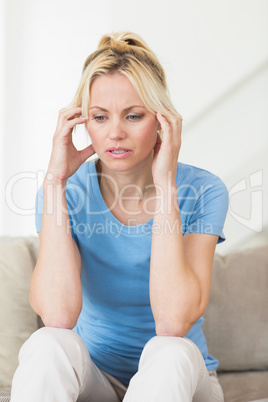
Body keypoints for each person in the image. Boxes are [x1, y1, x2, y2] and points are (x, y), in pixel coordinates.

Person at [11, 32, 229, 402]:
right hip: (100, 380)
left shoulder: (204, 190)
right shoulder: (65, 193)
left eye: (133, 115)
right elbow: (58, 315)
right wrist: (54, 183)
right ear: (82, 123)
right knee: (48, 343)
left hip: (184, 380)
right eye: (99, 117)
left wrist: (165, 185)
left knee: (169, 350)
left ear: (162, 120)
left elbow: (173, 323)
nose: (115, 133)